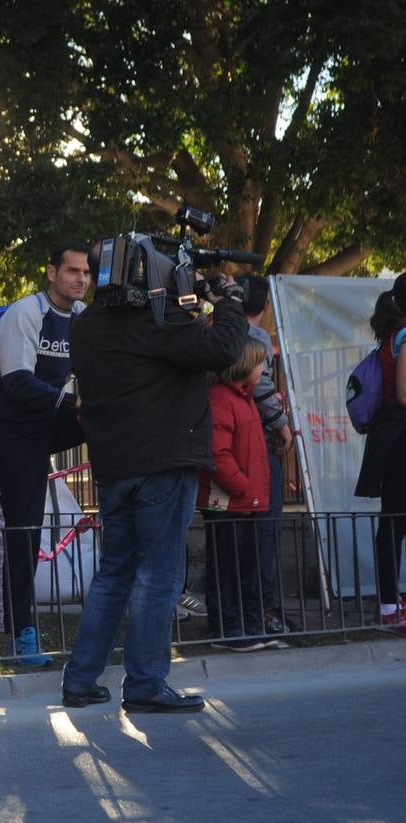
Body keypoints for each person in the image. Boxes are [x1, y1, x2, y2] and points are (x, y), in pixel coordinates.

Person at [60, 252, 246, 714]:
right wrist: (228, 301)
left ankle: (81, 681)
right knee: (157, 576)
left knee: (115, 572)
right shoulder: (157, 322)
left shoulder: (87, 325)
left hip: (114, 465)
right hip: (162, 463)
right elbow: (223, 349)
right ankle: (144, 684)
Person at [0, 241, 89, 667]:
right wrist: (77, 406)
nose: (81, 279)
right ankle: (20, 629)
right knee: (20, 528)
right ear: (51, 272)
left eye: (87, 273)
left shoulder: (82, 318)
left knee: (113, 421)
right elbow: (18, 380)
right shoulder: (25, 313)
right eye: (72, 271)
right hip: (8, 425)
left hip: (45, 420)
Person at [198, 338, 287, 651]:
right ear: (243, 366)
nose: (264, 370)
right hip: (230, 501)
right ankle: (229, 628)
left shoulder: (243, 397)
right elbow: (217, 453)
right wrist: (242, 486)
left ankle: (250, 624)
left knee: (246, 565)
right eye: (260, 364)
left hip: (246, 500)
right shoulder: (221, 399)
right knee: (227, 566)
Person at [238, 275, 298, 634]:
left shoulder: (217, 329)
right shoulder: (255, 337)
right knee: (264, 529)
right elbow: (260, 386)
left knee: (238, 536)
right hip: (256, 440)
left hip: (236, 441)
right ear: (266, 306)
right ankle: (263, 609)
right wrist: (282, 426)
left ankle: (244, 608)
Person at [354, 290, 406, 630]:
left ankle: (390, 604)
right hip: (400, 438)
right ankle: (389, 607)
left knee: (393, 523)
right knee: (394, 524)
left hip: (392, 439)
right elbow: (404, 394)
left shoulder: (393, 337)